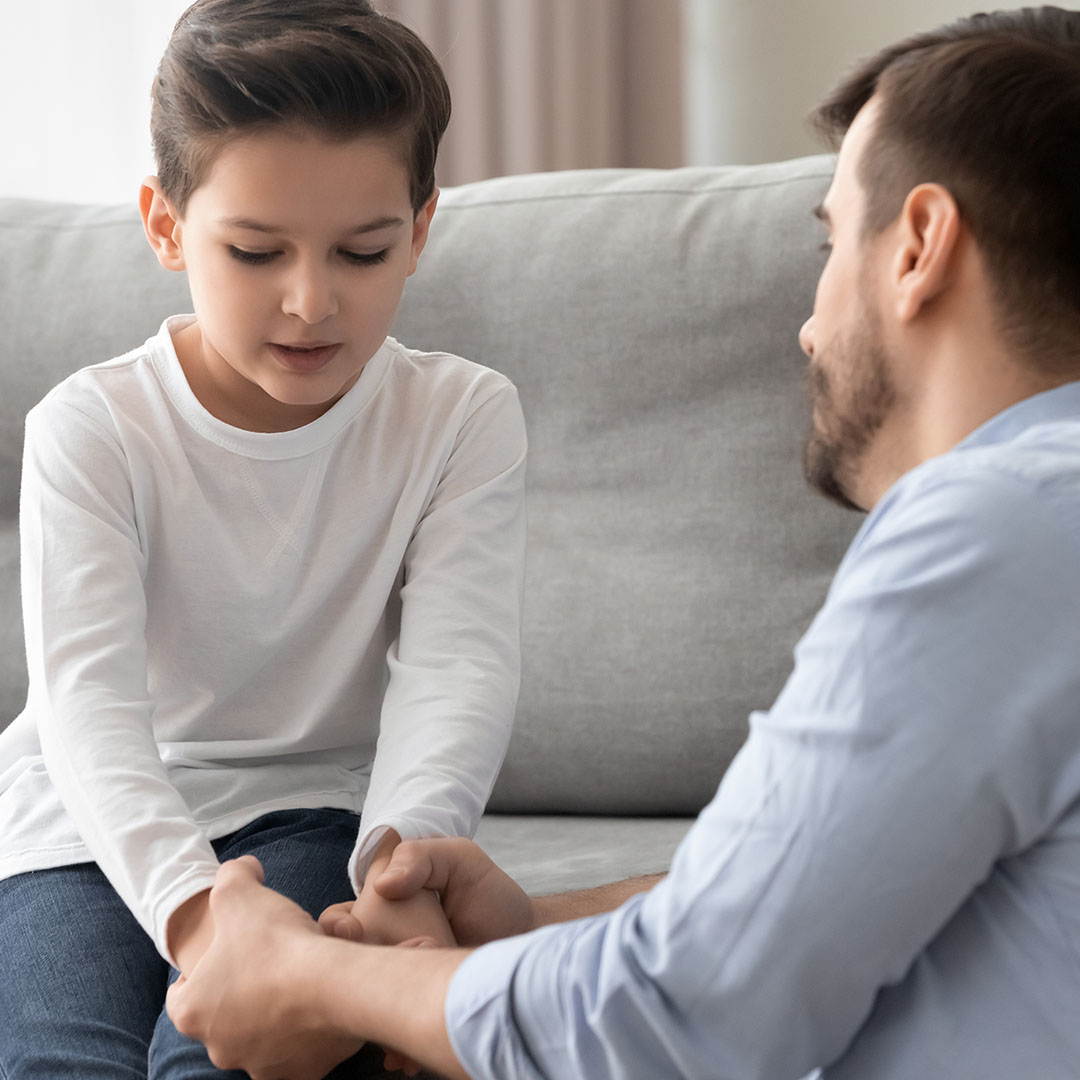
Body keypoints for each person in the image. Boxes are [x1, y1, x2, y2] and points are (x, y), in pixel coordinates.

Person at [165, 6, 1080, 1080]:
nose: (807, 322)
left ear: (918, 248)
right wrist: (537, 925)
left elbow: (675, 1019)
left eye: (834, 241)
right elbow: (822, 892)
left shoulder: (998, 529)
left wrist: (315, 978)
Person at [0, 1, 526, 1077]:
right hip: (83, 828)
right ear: (163, 226)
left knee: (233, 1066)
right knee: (59, 1062)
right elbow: (86, 708)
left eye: (364, 251)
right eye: (253, 251)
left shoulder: (462, 416)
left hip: (308, 810)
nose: (309, 301)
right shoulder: (89, 429)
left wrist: (399, 866)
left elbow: (456, 669)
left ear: (420, 230)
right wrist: (198, 916)